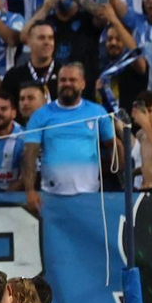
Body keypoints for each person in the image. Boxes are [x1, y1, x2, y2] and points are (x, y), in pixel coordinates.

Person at [22, 62, 116, 214]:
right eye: (63, 80)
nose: (67, 84)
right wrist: (30, 190)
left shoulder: (97, 112)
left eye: (72, 80)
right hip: (51, 197)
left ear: (83, 84)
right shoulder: (40, 115)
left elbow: (114, 147)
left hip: (89, 196)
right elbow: (29, 155)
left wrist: (125, 184)